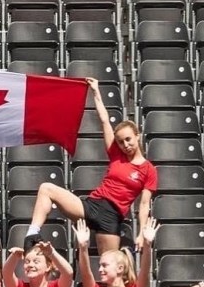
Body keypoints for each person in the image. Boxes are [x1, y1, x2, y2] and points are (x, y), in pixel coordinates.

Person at [24, 78, 157, 254]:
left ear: (137, 136)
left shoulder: (148, 169)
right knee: (46, 188)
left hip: (112, 216)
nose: (125, 145)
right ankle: (32, 234)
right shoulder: (116, 153)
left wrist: (141, 233)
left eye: (128, 139)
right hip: (92, 205)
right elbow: (104, 121)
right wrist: (95, 91)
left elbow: (144, 204)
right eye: (121, 142)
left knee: (109, 264)